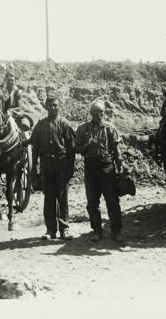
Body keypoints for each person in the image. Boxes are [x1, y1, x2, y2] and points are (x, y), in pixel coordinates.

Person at [75, 100, 125, 243]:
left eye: (101, 112)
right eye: (96, 112)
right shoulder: (82, 129)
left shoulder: (110, 128)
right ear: (91, 113)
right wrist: (87, 145)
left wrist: (120, 166)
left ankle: (116, 231)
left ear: (105, 113)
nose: (99, 115)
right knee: (92, 202)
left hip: (107, 166)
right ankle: (97, 230)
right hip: (90, 167)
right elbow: (76, 148)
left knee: (112, 201)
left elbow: (116, 150)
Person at [30, 96, 76, 240]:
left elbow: (71, 148)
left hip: (61, 164)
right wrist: (34, 169)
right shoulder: (40, 125)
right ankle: (50, 230)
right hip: (46, 164)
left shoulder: (65, 124)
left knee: (62, 197)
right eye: (50, 105)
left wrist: (70, 168)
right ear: (46, 107)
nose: (53, 108)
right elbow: (35, 148)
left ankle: (64, 229)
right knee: (49, 197)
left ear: (59, 106)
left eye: (55, 105)